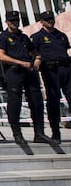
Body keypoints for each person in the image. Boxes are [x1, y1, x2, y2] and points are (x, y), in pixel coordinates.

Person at [0, 11, 56, 144]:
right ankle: (17, 134)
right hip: (14, 71)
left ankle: (39, 133)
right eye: (12, 21)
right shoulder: (3, 37)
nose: (15, 23)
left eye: (16, 21)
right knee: (15, 102)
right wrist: (20, 63)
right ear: (7, 22)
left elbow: (34, 51)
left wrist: (38, 58)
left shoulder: (24, 37)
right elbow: (1, 56)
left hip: (29, 71)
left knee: (37, 102)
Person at [31, 10, 71, 143]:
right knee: (53, 101)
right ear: (41, 22)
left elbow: (65, 49)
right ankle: (56, 132)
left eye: (51, 19)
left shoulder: (61, 36)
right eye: (47, 19)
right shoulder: (37, 37)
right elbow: (33, 52)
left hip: (65, 69)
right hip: (50, 71)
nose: (50, 21)